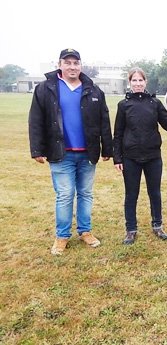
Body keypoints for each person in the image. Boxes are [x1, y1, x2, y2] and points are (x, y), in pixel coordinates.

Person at [29, 48, 113, 255]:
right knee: (65, 195)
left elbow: (104, 121)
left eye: (76, 63)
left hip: (88, 153)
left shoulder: (93, 90)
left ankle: (85, 231)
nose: (72, 67)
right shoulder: (45, 88)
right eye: (68, 63)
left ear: (80, 66)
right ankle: (62, 236)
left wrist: (107, 148)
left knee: (85, 194)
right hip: (60, 153)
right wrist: (37, 149)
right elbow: (36, 120)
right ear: (60, 65)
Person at [113, 67, 167, 245]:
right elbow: (118, 134)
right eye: (134, 81)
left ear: (145, 82)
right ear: (130, 83)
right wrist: (117, 158)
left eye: (140, 80)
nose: (137, 84)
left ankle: (157, 225)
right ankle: (131, 229)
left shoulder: (154, 103)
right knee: (131, 195)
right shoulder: (123, 105)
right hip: (130, 158)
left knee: (155, 193)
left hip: (153, 157)